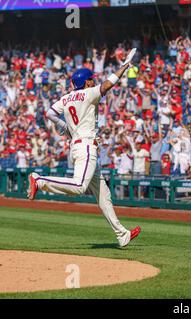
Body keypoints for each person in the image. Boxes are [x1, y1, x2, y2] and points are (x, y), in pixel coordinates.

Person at [27, 49, 141, 248]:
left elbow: (49, 113)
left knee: (103, 195)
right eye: (91, 79)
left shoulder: (66, 98)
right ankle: (40, 180)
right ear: (86, 82)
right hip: (87, 146)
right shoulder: (88, 93)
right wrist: (125, 66)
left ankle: (121, 234)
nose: (93, 82)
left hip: (80, 146)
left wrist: (65, 128)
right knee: (79, 186)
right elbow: (107, 85)